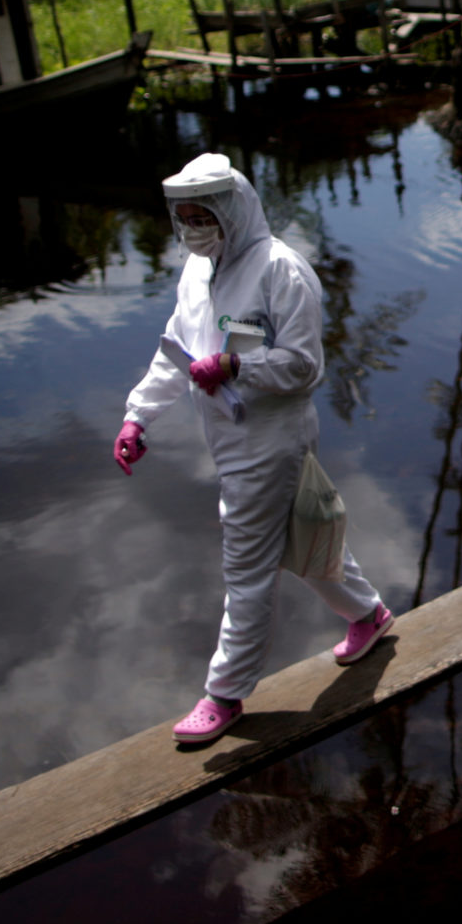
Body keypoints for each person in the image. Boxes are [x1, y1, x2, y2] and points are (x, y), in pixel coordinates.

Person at [114, 153, 395, 745]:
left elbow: (303, 364)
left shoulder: (280, 271)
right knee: (301, 535)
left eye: (202, 215)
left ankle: (226, 693)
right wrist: (138, 417)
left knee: (246, 566)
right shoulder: (197, 270)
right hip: (226, 436)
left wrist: (239, 363)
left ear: (231, 208)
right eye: (182, 217)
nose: (192, 227)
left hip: (271, 441)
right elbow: (177, 352)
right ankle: (367, 615)